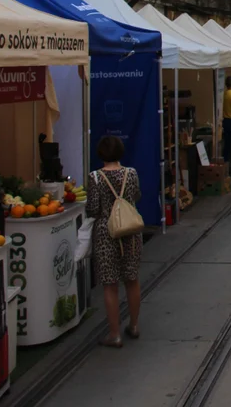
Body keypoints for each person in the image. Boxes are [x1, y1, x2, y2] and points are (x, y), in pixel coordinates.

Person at [86, 136, 142, 347]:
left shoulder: (95, 178)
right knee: (131, 278)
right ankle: (134, 325)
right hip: (130, 231)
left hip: (106, 234)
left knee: (110, 285)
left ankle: (114, 333)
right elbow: (137, 195)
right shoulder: (131, 173)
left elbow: (92, 208)